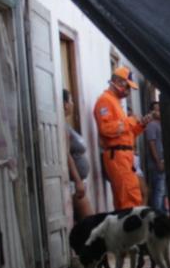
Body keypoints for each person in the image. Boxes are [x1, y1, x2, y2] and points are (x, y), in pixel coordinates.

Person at [93, 66, 152, 210]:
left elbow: (125, 134)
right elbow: (106, 129)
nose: (128, 92)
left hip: (124, 155)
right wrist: (131, 121)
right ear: (118, 82)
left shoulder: (116, 103)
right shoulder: (105, 101)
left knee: (126, 198)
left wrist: (140, 125)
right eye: (127, 87)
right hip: (117, 156)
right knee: (130, 198)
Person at [63, 89, 92, 221]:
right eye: (71, 100)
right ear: (65, 104)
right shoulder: (62, 127)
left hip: (78, 182)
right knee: (89, 223)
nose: (73, 103)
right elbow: (67, 154)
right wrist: (77, 181)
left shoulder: (66, 125)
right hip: (74, 184)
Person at [144, 102, 166, 212]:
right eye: (156, 110)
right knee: (159, 190)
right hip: (156, 163)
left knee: (162, 191)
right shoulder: (152, 125)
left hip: (162, 161)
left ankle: (162, 213)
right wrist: (158, 162)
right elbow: (151, 144)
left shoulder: (161, 124)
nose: (159, 112)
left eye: (160, 109)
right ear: (151, 112)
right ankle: (157, 214)